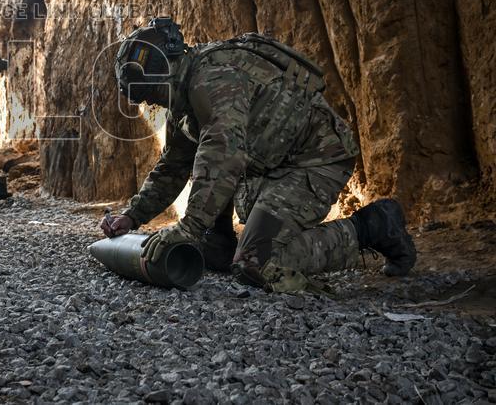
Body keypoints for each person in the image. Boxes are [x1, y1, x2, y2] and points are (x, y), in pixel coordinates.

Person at [100, 17, 416, 293]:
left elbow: (224, 154)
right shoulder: (182, 98)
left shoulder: (213, 78)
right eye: (148, 98)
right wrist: (132, 216)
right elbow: (173, 166)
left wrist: (190, 227)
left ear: (169, 67)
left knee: (257, 263)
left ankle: (374, 226)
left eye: (153, 93)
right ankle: (219, 242)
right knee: (223, 244)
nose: (156, 102)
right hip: (270, 166)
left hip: (315, 158)